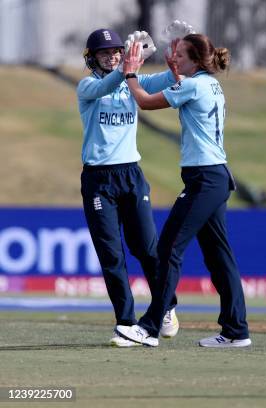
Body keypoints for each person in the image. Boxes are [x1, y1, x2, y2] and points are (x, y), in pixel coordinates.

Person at [116, 34, 250, 348]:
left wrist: (130, 73)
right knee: (219, 257)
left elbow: (146, 102)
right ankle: (236, 331)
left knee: (168, 249)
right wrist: (172, 69)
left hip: (205, 179)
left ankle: (148, 328)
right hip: (215, 177)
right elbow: (182, 86)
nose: (176, 59)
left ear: (195, 60)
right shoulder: (208, 83)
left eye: (181, 56)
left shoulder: (193, 85)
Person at [77, 28, 180, 347]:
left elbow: (167, 81)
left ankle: (166, 307)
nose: (112, 56)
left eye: (117, 51)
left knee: (148, 248)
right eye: (104, 53)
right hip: (98, 179)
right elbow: (109, 83)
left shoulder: (132, 81)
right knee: (111, 255)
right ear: (92, 58)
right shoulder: (88, 86)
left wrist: (176, 62)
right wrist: (128, 68)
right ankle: (126, 321)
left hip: (131, 175)